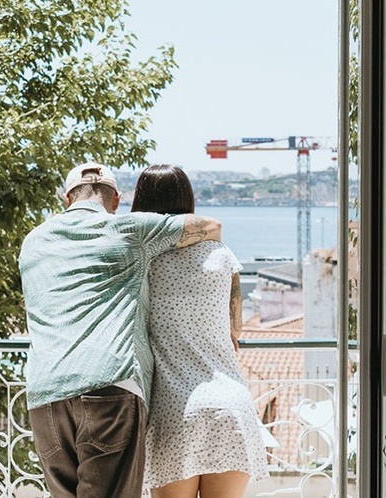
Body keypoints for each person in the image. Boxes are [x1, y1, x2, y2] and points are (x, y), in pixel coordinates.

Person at [20, 162, 224, 498]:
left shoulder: (33, 241)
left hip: (45, 396)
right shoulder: (129, 229)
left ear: (68, 199)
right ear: (115, 199)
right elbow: (211, 226)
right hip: (108, 386)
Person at [131, 165, 268, 498]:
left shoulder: (143, 261)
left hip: (175, 410)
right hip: (231, 408)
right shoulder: (222, 256)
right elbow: (235, 332)